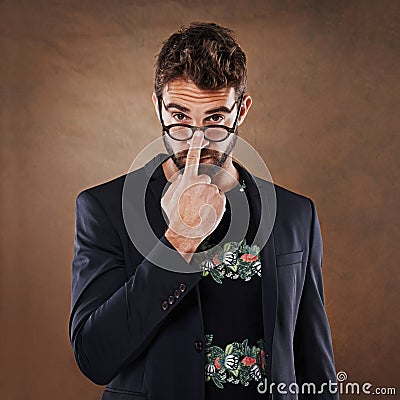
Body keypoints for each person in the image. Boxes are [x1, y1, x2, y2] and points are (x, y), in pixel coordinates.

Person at [69, 22, 339, 400]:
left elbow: (315, 365)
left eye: (215, 119)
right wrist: (180, 238)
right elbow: (94, 356)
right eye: (180, 117)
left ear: (241, 110)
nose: (197, 140)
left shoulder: (297, 215)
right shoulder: (104, 209)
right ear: (157, 106)